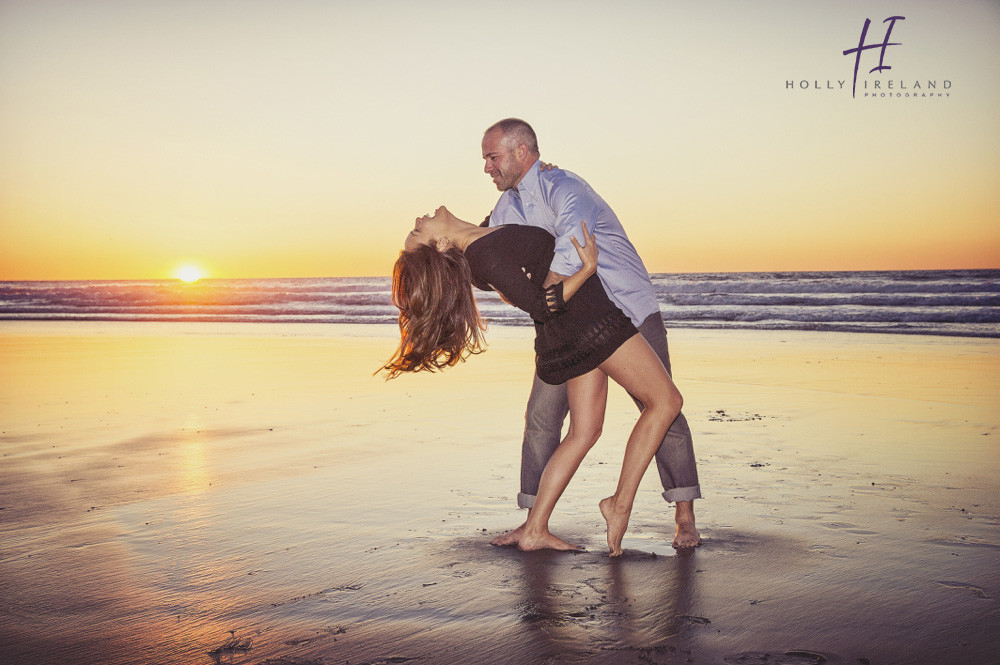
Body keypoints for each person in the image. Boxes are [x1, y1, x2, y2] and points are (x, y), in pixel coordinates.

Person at [382, 206, 683, 557]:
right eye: (418, 232)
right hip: (590, 322)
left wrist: (526, 180)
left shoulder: (480, 241)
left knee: (585, 431)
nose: (418, 221)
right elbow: (541, 306)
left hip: (572, 331)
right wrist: (587, 269)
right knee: (665, 402)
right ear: (443, 243)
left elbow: (504, 220)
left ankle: (535, 529)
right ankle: (619, 504)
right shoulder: (484, 255)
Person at [481, 118, 703, 549]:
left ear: (522, 152)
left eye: (493, 157)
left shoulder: (566, 188)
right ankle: (533, 520)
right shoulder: (506, 211)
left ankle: (685, 515)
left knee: (660, 407)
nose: (487, 167)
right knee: (542, 417)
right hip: (571, 322)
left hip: (627, 306)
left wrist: (533, 293)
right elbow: (499, 267)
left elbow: (572, 249)